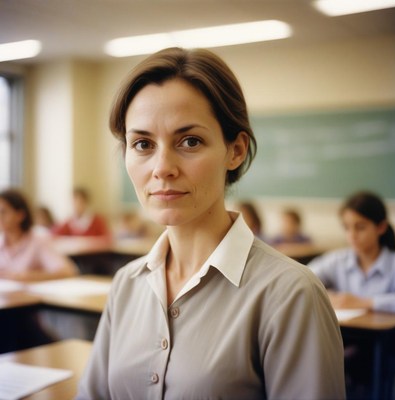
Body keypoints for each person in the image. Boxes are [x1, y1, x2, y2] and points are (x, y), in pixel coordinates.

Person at [77, 47, 345, 399]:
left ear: (235, 150)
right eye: (142, 144)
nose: (162, 168)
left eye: (190, 141)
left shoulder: (291, 295)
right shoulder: (126, 284)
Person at [309, 191, 395, 313]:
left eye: (360, 227)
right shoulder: (337, 260)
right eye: (346, 227)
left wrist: (365, 303)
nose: (352, 235)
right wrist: (326, 296)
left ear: (381, 227)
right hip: (345, 330)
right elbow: (303, 279)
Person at [0, 189, 78, 281]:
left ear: (20, 215)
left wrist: (29, 277)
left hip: (31, 294)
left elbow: (68, 272)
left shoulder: (39, 239)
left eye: (3, 212)